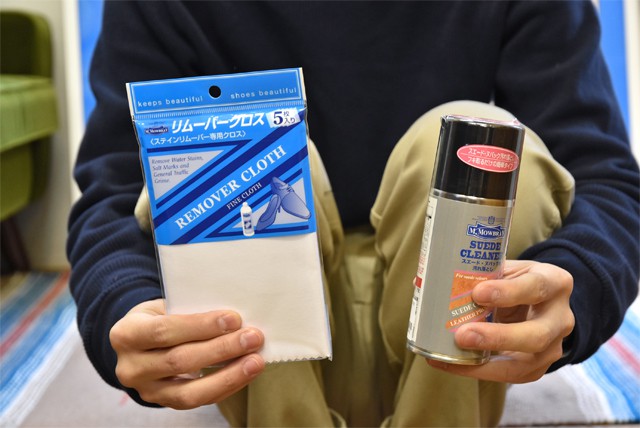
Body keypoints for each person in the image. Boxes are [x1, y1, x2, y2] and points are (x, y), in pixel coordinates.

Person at [67, 1, 639, 427]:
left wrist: (575, 287)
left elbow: (604, 177)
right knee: (244, 160)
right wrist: (127, 308)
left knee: (482, 141)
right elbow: (114, 188)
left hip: (448, 323)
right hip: (262, 349)